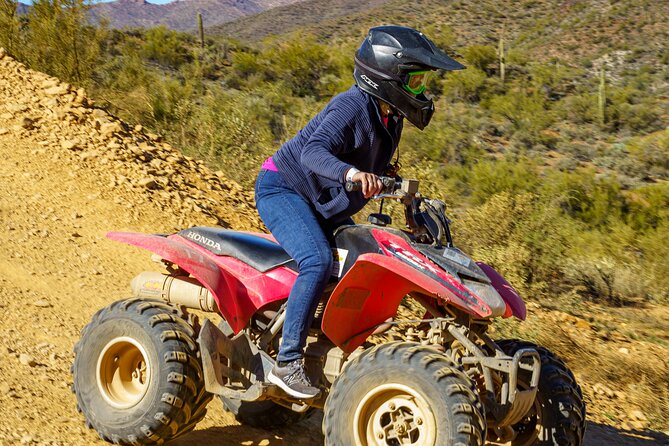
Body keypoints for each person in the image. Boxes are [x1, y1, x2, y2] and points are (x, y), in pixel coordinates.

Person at [254, 25, 465, 399]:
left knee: (362, 257)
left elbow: (379, 168)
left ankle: (323, 340)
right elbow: (312, 152)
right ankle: (288, 362)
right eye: (415, 82)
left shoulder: (391, 118)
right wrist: (352, 174)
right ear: (387, 75)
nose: (421, 91)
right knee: (317, 261)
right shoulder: (352, 105)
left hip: (323, 200)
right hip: (284, 188)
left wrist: (408, 206)